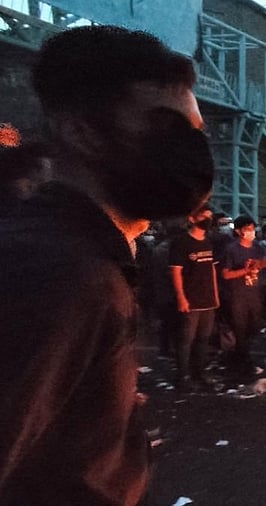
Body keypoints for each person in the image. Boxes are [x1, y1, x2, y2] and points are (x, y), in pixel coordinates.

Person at [0, 26, 212, 504]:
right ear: (82, 132)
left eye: (195, 133)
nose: (188, 151)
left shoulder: (88, 256)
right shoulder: (61, 274)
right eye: (164, 128)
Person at [169, 206, 219, 389]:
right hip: (190, 299)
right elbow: (176, 271)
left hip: (207, 300)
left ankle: (200, 373)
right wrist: (181, 297)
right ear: (192, 218)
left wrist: (215, 294)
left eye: (209, 216)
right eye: (203, 216)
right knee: (185, 341)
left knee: (203, 339)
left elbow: (212, 269)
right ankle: (182, 377)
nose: (207, 219)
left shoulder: (208, 241)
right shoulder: (182, 242)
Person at [221, 216, 266, 376]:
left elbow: (264, 261)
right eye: (247, 229)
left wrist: (263, 264)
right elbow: (226, 274)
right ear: (238, 231)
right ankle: (243, 362)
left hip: (254, 292)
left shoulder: (257, 247)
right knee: (240, 328)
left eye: (252, 228)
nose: (251, 232)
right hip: (237, 294)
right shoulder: (231, 249)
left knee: (254, 326)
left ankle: (239, 357)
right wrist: (246, 270)